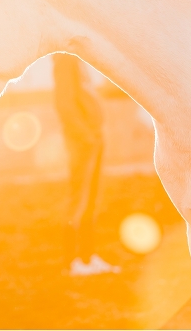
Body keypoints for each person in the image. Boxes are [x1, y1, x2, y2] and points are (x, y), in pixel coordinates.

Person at [52, 53, 121, 276]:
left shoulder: (77, 58)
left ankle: (87, 257)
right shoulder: (64, 59)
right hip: (82, 140)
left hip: (93, 136)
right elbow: (64, 104)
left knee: (90, 199)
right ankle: (72, 261)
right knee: (78, 199)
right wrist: (86, 136)